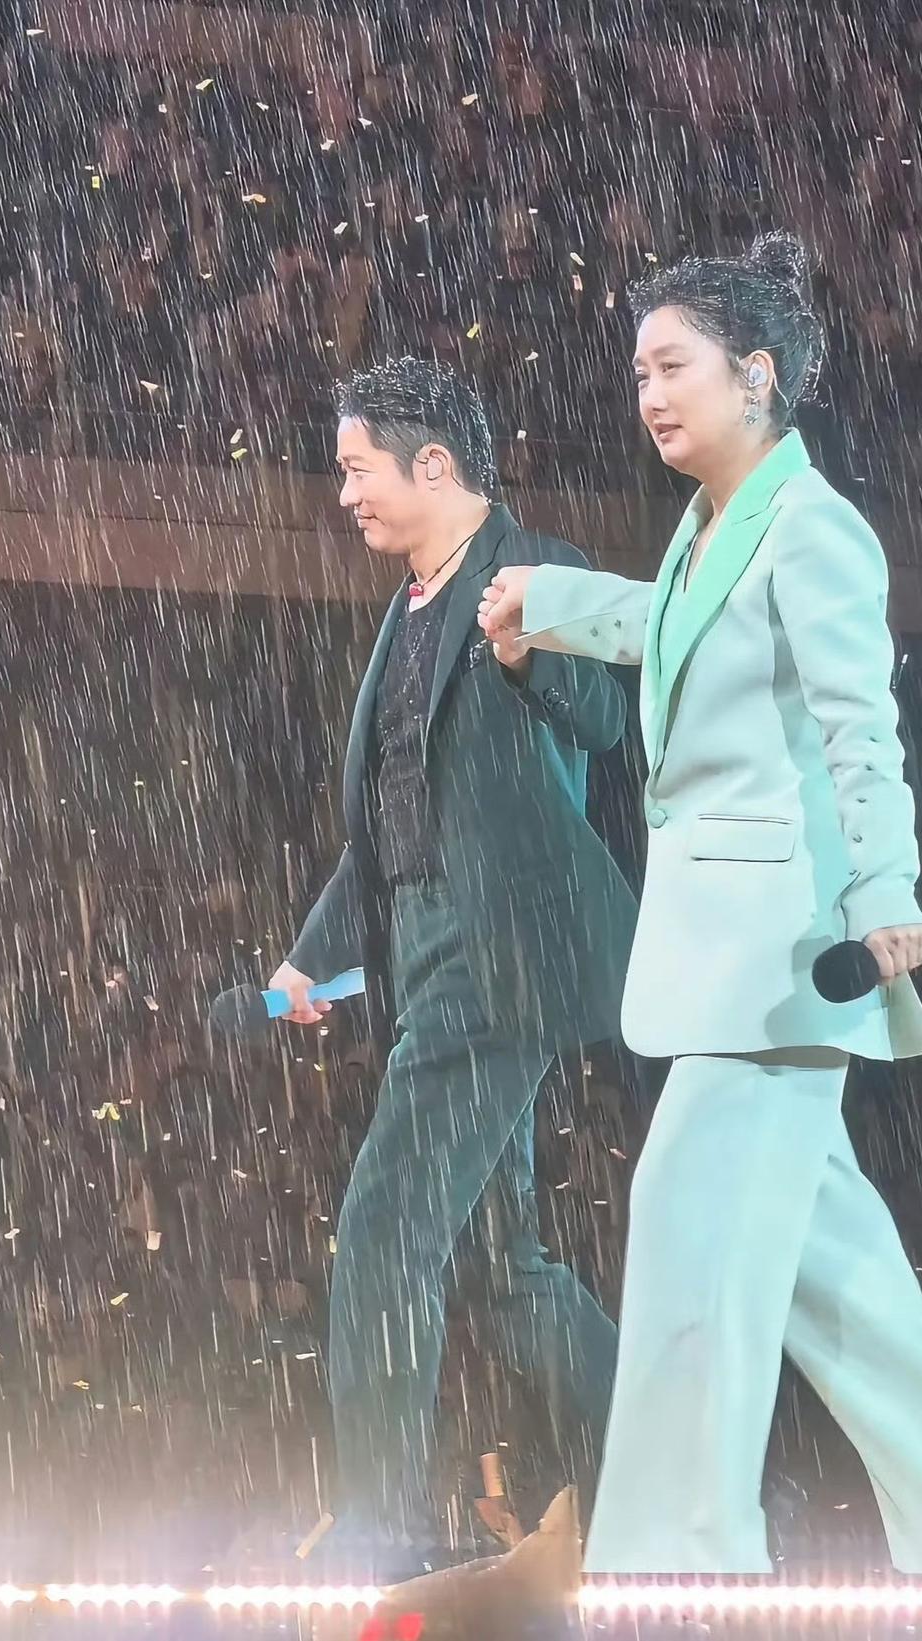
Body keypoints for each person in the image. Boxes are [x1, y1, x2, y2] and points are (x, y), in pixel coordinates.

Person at [479, 231, 922, 1574]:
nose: (649, 394)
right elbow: (669, 631)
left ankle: (676, 1559)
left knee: (687, 1243)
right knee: (840, 1299)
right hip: (725, 957)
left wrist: (884, 887)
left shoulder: (815, 530)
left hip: (780, 960)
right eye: (639, 372)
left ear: (756, 374)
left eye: (674, 366)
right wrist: (552, 601)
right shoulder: (712, 527)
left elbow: (861, 729)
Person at [268, 355, 636, 1578]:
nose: (344, 496)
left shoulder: (531, 568)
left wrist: (530, 656)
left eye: (355, 470)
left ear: (431, 464)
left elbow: (605, 719)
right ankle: (673, 1461)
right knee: (498, 1265)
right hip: (427, 949)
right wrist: (312, 960)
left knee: (383, 1237)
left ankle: (380, 1535)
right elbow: (390, 813)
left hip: (498, 954)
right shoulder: (409, 607)